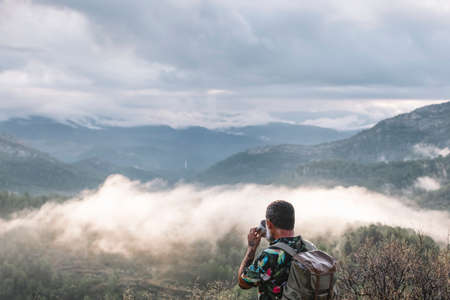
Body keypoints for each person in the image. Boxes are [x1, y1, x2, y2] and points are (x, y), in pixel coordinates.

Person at [237, 200, 316, 299]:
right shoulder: (309, 247)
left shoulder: (270, 255)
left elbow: (243, 283)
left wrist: (251, 248)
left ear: (269, 224)